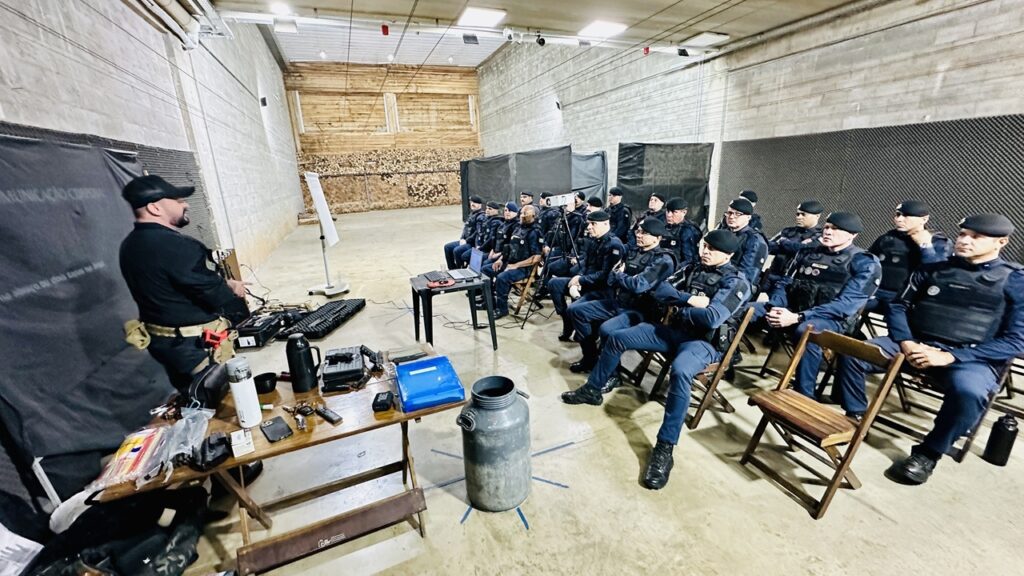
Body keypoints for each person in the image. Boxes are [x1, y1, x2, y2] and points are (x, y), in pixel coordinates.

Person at [834, 213, 1023, 485]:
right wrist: (907, 342)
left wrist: (950, 356)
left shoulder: (1015, 280)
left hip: (969, 358)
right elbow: (898, 306)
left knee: (969, 392)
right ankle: (856, 417)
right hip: (915, 342)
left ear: (1001, 242)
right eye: (962, 234)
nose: (965, 241)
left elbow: (1017, 341)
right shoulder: (934, 269)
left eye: (976, 237)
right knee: (853, 351)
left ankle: (928, 453)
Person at [561, 229, 751, 489]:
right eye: (705, 246)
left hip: (703, 343)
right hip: (673, 331)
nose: (705, 251)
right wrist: (690, 300)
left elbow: (712, 318)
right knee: (618, 337)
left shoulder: (737, 282)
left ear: (728, 254)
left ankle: (665, 448)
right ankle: (593, 389)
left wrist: (684, 309)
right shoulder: (692, 267)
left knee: (681, 371)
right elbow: (659, 290)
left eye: (713, 249)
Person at [119, 175, 249, 391]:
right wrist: (232, 290)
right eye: (178, 201)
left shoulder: (130, 245)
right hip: (196, 349)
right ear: (154, 208)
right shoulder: (177, 246)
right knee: (220, 402)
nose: (185, 204)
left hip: (166, 346)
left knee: (194, 398)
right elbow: (217, 297)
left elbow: (174, 284)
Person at [749, 212, 881, 398]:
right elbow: (784, 283)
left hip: (832, 321)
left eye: (836, 229)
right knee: (746, 310)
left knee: (806, 331)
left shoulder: (864, 262)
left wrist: (797, 317)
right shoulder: (807, 252)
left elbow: (845, 306)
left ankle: (803, 395)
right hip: (792, 312)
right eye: (827, 227)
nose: (828, 232)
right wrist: (776, 306)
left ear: (852, 235)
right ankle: (717, 361)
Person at [566, 218, 675, 373]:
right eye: (638, 231)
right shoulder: (632, 251)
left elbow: (638, 286)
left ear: (657, 238)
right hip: (621, 302)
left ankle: (613, 373)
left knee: (607, 329)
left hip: (641, 310)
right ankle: (590, 358)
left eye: (645, 233)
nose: (639, 235)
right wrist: (623, 278)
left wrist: (621, 277)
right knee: (575, 311)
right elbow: (611, 277)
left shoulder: (663, 260)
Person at [549, 210, 624, 341]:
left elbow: (605, 275)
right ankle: (567, 321)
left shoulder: (614, 245)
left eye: (593, 224)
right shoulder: (594, 241)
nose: (589, 227)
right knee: (554, 284)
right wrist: (579, 276)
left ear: (606, 224)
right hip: (587, 282)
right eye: (589, 223)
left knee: (575, 307)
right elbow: (586, 264)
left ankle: (588, 336)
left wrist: (581, 280)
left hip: (601, 289)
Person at [867, 200, 951, 315]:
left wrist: (926, 247)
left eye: (906, 216)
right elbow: (867, 261)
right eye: (898, 215)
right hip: (875, 293)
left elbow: (937, 273)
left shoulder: (938, 242)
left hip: (906, 299)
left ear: (924, 219)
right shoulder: (887, 238)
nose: (899, 219)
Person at [490, 205, 544, 319]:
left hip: (523, 268)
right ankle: (491, 302)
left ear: (533, 216)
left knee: (502, 278)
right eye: (521, 213)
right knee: (486, 270)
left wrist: (516, 265)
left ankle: (502, 309)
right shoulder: (518, 227)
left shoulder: (535, 232)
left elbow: (536, 258)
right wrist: (501, 260)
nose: (522, 216)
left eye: (526, 214)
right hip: (510, 263)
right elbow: (509, 247)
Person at [761, 200, 824, 293]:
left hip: (792, 279)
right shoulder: (788, 231)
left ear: (817, 216)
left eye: (803, 214)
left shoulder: (821, 235)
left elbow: (801, 250)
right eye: (797, 214)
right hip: (772, 273)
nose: (799, 217)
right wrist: (791, 246)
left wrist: (784, 242)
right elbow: (769, 246)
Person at [722, 197, 769, 286]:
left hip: (737, 285)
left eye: (738, 214)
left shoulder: (755, 240)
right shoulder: (723, 232)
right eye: (729, 213)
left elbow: (747, 276)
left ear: (748, 217)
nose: (731, 217)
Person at [445, 195, 484, 269]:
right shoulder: (471, 214)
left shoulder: (481, 217)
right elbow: (465, 228)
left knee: (457, 251)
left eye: (475, 203)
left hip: (472, 243)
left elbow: (477, 233)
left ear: (480, 205)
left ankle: (461, 270)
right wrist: (462, 238)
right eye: (471, 202)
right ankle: (452, 269)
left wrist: (466, 240)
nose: (472, 204)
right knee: (447, 247)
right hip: (464, 241)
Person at [662, 197, 701, 269]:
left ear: (684, 212)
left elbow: (689, 260)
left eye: (674, 212)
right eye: (667, 211)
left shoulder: (687, 231)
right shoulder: (665, 227)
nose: (669, 215)